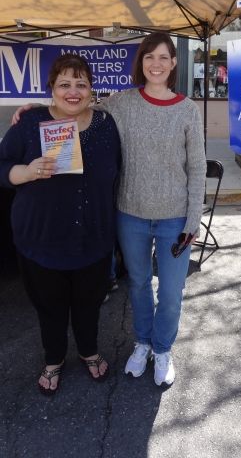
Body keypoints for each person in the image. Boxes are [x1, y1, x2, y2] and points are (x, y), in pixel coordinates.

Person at [12, 32, 206, 387]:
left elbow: (197, 167)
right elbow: (78, 107)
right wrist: (34, 110)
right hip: (130, 214)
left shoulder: (187, 110)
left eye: (164, 57)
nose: (156, 64)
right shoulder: (122, 103)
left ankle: (162, 349)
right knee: (139, 285)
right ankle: (142, 343)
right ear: (141, 62)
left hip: (175, 217)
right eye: (150, 57)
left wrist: (193, 219)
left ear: (174, 62)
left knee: (171, 291)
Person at [0, 54, 121, 395]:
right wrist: (25, 172)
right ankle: (53, 359)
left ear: (91, 90)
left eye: (81, 84)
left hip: (93, 239)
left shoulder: (106, 125)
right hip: (41, 240)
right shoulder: (29, 122)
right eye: (64, 84)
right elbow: (2, 164)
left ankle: (88, 351)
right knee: (50, 308)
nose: (73, 92)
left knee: (89, 304)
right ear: (51, 87)